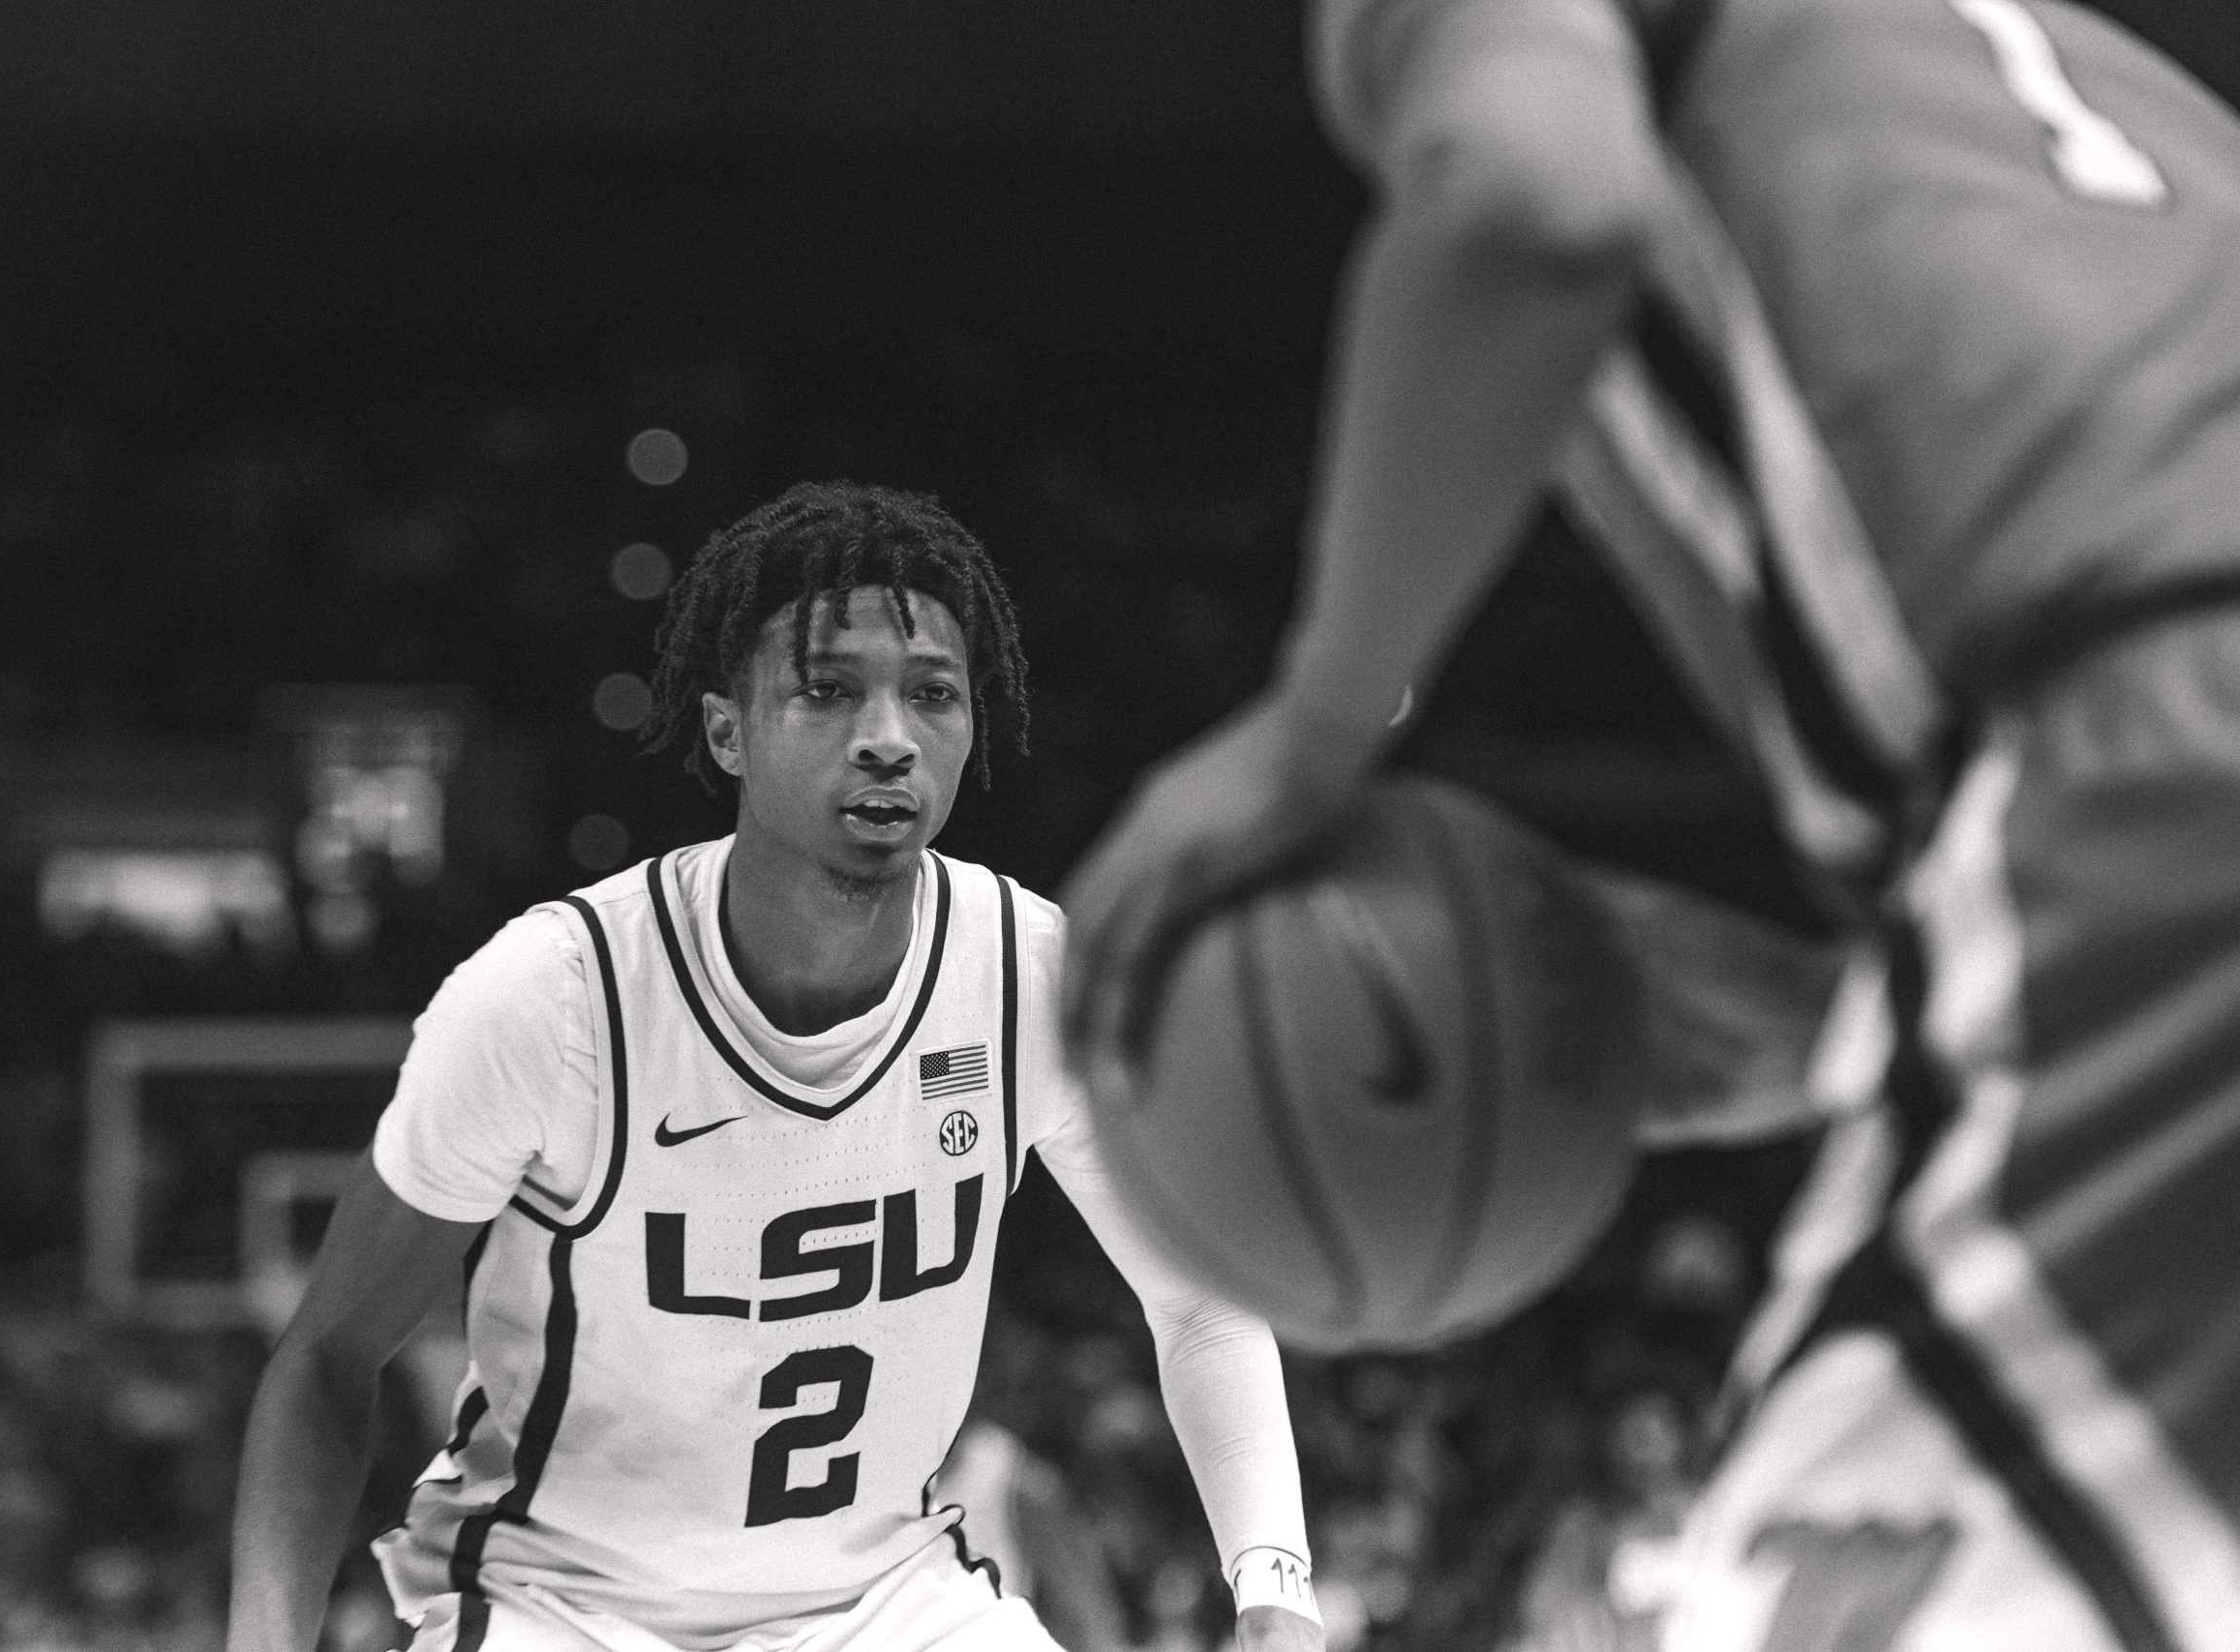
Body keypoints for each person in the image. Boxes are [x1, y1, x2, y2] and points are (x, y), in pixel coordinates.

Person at [1060, 0, 2240, 1647]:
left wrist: (1317, 727)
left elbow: (1533, 208)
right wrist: (1848, 1027)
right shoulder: (2038, 77)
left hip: (2148, 763)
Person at [228, 481, 1324, 1652]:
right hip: (567, 1613)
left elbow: (1200, 1299)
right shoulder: (555, 997)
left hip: (884, 1606)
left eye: (933, 695)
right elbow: (332, 1352)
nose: (889, 735)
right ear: (724, 732)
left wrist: (1275, 1593)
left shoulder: (1029, 976)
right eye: (827, 688)